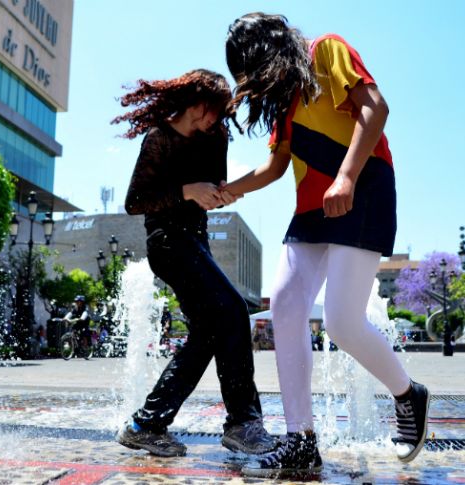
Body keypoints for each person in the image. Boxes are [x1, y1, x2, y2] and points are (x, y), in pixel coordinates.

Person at [223, 13, 431, 477]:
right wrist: (228, 190)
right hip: (311, 208)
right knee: (286, 303)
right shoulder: (283, 102)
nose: (255, 84)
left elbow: (375, 108)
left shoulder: (326, 51)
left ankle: (407, 394)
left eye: (254, 71)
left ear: (271, 51)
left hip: (364, 187)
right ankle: (300, 439)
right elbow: (275, 169)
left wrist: (346, 177)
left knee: (340, 321)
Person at [111, 69, 276, 458]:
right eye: (211, 112)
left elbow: (212, 186)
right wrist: (187, 191)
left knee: (209, 333)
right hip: (167, 244)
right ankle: (242, 423)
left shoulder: (215, 136)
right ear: (195, 102)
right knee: (234, 310)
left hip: (196, 242)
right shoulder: (159, 139)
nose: (215, 121)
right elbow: (135, 202)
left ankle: (146, 424)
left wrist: (220, 195)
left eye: (219, 115)